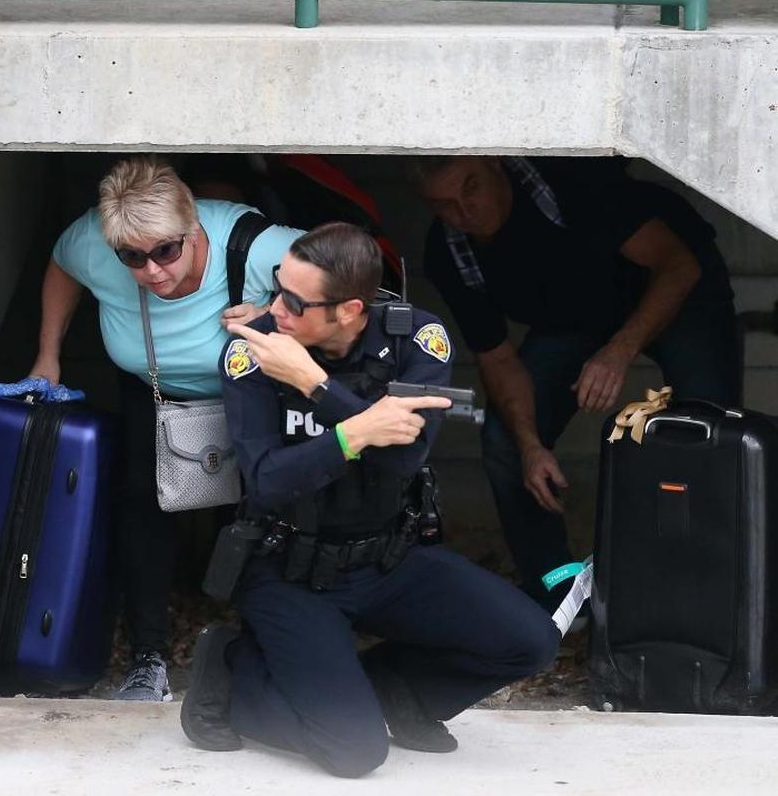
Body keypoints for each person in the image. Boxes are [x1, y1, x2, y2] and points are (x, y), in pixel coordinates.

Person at [180, 223, 558, 777]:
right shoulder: (255, 351)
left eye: (294, 301)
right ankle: (230, 669)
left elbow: (406, 458)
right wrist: (355, 433)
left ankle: (397, 692)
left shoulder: (415, 340)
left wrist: (317, 387)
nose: (274, 311)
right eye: (275, 287)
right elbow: (266, 481)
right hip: (289, 569)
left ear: (350, 309)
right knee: (353, 752)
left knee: (531, 642)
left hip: (388, 558)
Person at [29, 155, 302, 701]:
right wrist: (48, 354)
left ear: (193, 228)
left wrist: (276, 313)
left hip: (252, 388)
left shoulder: (253, 243)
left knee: (268, 515)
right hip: (152, 387)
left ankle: (269, 650)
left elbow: (344, 275)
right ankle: (147, 658)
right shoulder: (94, 242)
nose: (152, 271)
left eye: (166, 252)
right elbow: (62, 263)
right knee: (141, 507)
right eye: (133, 257)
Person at [415, 155, 739, 612]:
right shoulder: (449, 250)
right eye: (444, 204)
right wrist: (530, 446)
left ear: (494, 166)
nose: (463, 212)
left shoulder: (570, 184)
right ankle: (559, 591)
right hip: (575, 316)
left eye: (470, 188)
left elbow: (678, 266)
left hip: (672, 289)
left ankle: (710, 595)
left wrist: (619, 351)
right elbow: (498, 358)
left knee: (713, 431)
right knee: (508, 443)